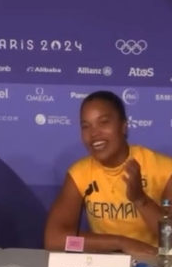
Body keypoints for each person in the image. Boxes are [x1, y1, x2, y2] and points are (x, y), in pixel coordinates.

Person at [44, 90, 172, 255]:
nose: (94, 133)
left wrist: (140, 199)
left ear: (123, 126)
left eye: (103, 122)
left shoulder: (164, 169)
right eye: (86, 126)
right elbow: (55, 240)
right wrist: (120, 243)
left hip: (155, 264)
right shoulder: (80, 174)